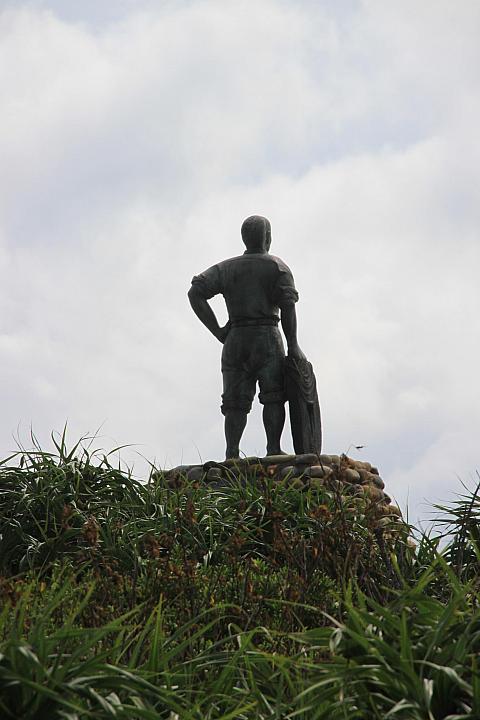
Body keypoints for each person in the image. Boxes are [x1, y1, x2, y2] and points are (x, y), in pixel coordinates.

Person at [188, 215, 306, 459]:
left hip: (235, 340)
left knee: (235, 403)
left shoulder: (226, 268)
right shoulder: (277, 267)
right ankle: (273, 448)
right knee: (273, 397)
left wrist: (218, 330)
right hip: (267, 338)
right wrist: (293, 345)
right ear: (267, 237)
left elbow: (195, 292)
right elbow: (288, 307)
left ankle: (232, 453)